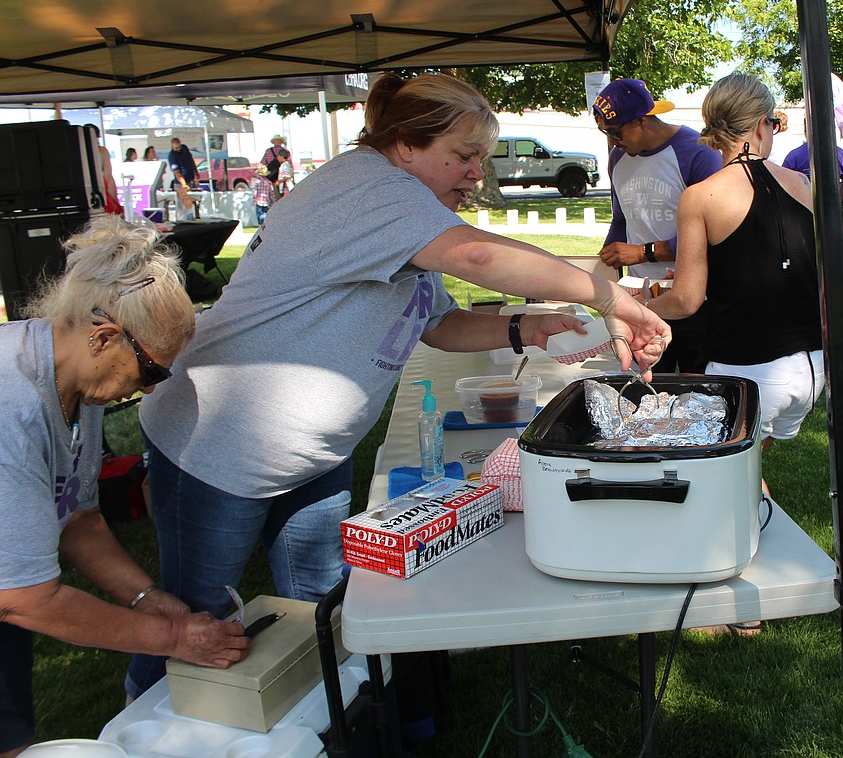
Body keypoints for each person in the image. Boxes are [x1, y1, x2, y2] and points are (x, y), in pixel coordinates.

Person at [125, 73, 671, 697]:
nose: (475, 175)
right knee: (192, 621)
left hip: (313, 459)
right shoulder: (367, 188)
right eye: (463, 157)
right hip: (216, 450)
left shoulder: (409, 208)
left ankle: (332, 719)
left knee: (322, 610)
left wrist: (531, 326)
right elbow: (479, 258)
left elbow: (437, 323)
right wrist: (610, 295)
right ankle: (142, 726)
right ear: (406, 144)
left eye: (480, 161)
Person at [0, 217, 249, 755]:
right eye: (152, 372)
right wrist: (176, 639)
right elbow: (25, 599)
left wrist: (145, 598)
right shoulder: (11, 411)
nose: (148, 387)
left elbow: (78, 517)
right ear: (104, 336)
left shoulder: (77, 383)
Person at [645, 73, 824, 636]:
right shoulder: (803, 184)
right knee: (750, 468)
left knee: (727, 485)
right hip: (809, 367)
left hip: (749, 369)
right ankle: (761, 575)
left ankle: (746, 605)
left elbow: (689, 299)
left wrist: (646, 299)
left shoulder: (700, 196)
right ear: (764, 124)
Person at [593, 78, 722, 373]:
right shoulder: (618, 158)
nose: (613, 142)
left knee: (698, 390)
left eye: (615, 132)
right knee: (647, 389)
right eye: (605, 133)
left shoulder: (697, 152)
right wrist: (610, 254)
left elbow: (712, 233)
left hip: (695, 299)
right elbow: (623, 217)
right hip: (643, 297)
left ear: (642, 119)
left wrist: (642, 252)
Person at [780, 137, 843, 202]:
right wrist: (839, 202)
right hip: (830, 207)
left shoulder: (794, 156)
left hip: (803, 208)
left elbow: (783, 182)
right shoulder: (840, 154)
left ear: (806, 129)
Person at [166, 137, 198, 218]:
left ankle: (194, 216)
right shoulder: (172, 156)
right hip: (180, 182)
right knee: (184, 203)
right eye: (176, 148)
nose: (178, 149)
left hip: (190, 178)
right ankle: (183, 218)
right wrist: (183, 184)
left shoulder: (184, 148)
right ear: (172, 147)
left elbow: (191, 159)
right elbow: (177, 172)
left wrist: (196, 171)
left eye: (179, 147)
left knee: (192, 200)